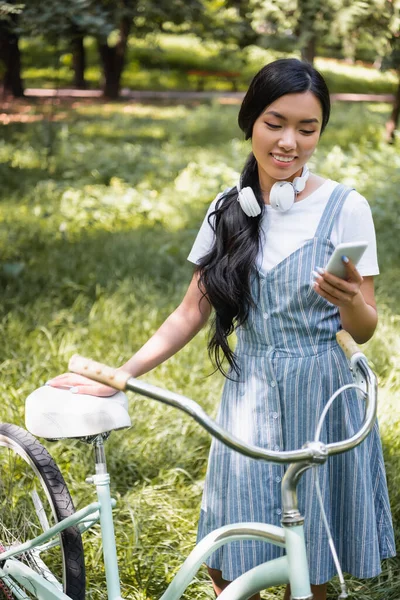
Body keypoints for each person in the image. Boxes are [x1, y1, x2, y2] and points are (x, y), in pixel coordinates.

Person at [48, 58, 396, 600]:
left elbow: (367, 326)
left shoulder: (346, 207)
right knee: (227, 555)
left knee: (311, 566)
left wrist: (350, 301)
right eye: (275, 123)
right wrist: (120, 374)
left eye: (308, 129)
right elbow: (191, 312)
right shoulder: (228, 209)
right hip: (249, 395)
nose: (290, 142)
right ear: (250, 121)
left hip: (322, 394)